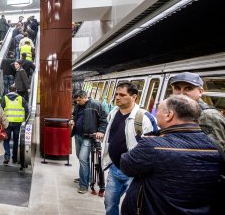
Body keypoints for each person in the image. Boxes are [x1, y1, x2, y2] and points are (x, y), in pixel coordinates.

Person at [120, 95, 223, 215]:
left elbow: (126, 164)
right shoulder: (213, 146)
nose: (156, 113)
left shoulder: (153, 144)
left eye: (158, 110)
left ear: (169, 115)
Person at [101, 81, 158, 215]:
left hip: (133, 173)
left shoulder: (144, 118)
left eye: (122, 95)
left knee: (131, 207)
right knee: (109, 202)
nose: (118, 97)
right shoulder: (113, 113)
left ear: (134, 97)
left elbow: (153, 146)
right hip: (114, 168)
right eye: (116, 94)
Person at [170, 72, 225, 150]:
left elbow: (214, 153)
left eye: (188, 88)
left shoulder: (207, 115)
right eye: (177, 88)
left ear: (200, 92)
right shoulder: (179, 110)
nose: (181, 93)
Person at [69, 90, 108, 194]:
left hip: (88, 136)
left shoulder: (96, 105)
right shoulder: (77, 106)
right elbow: (74, 115)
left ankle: (84, 185)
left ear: (85, 97)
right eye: (76, 101)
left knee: (82, 158)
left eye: (79, 100)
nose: (77, 102)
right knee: (81, 157)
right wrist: (72, 120)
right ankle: (85, 176)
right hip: (78, 135)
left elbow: (104, 118)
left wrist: (101, 131)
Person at [0, 85, 28, 164]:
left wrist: (2, 121)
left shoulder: (4, 98)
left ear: (9, 90)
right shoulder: (21, 98)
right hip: (18, 123)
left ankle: (7, 156)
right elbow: (26, 110)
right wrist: (25, 120)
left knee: (6, 140)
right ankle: (14, 158)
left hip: (7, 123)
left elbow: (0, 110)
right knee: (16, 141)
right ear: (16, 90)